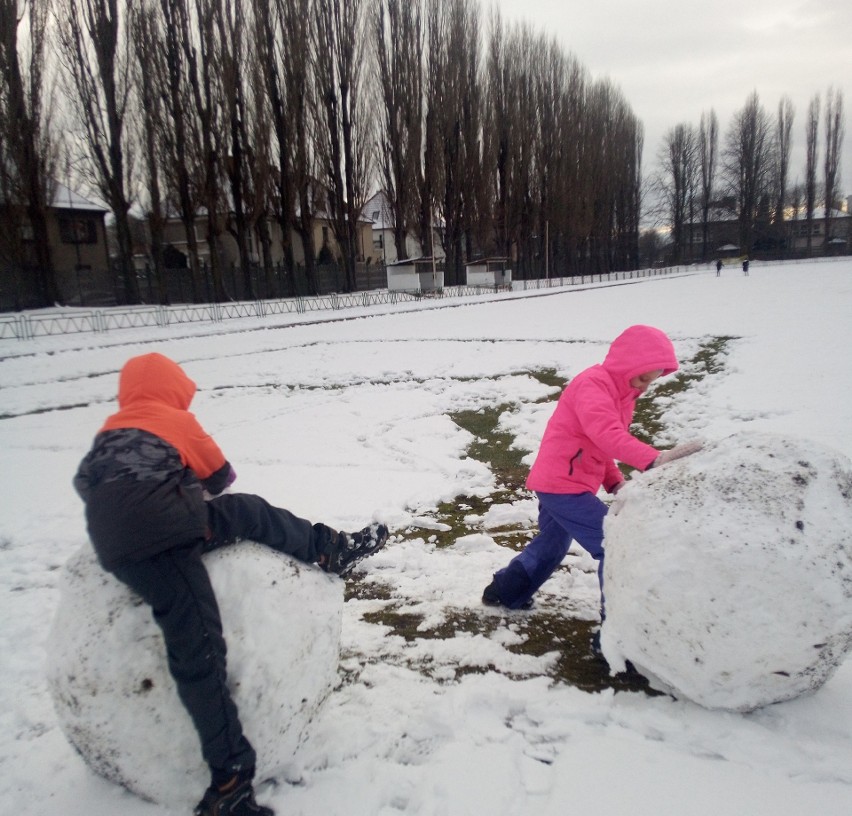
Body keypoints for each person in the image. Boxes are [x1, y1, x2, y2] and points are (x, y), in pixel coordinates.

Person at [73, 352, 389, 816]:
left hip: (116, 547)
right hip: (166, 539)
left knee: (243, 514)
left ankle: (332, 549)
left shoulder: (109, 431)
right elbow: (221, 476)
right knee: (198, 653)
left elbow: (86, 483)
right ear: (174, 389)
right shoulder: (176, 421)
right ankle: (231, 781)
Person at [482, 325, 702, 628]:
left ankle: (506, 592)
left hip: (564, 482)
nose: (644, 387)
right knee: (614, 543)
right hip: (562, 484)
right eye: (642, 378)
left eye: (651, 382)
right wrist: (654, 460)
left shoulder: (622, 394)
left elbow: (600, 443)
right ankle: (617, 633)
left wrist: (613, 480)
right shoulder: (593, 385)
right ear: (627, 365)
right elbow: (606, 433)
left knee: (552, 544)